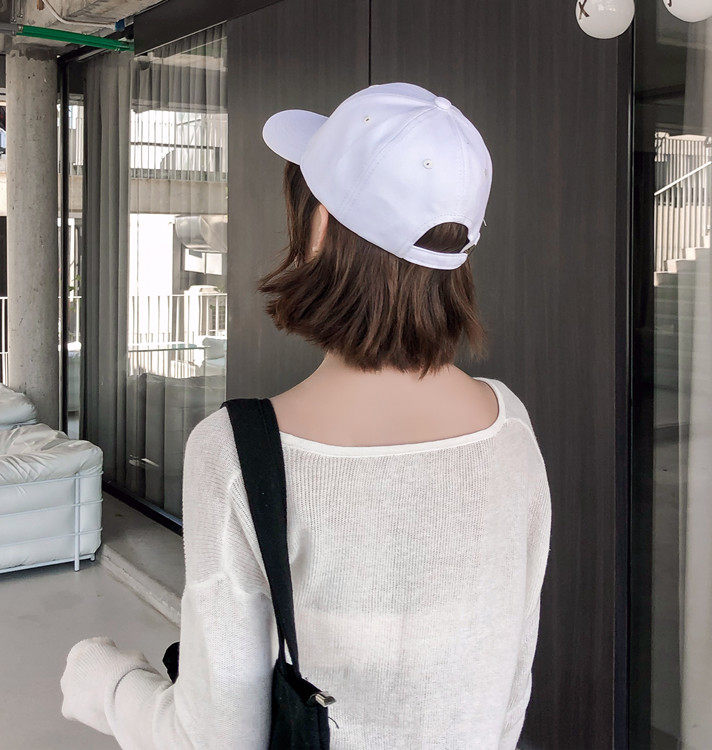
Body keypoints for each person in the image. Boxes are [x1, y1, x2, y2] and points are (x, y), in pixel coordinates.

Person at [60, 82, 551, 749]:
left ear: (319, 226)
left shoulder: (237, 454)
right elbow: (511, 682)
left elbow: (215, 740)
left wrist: (107, 684)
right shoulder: (508, 424)